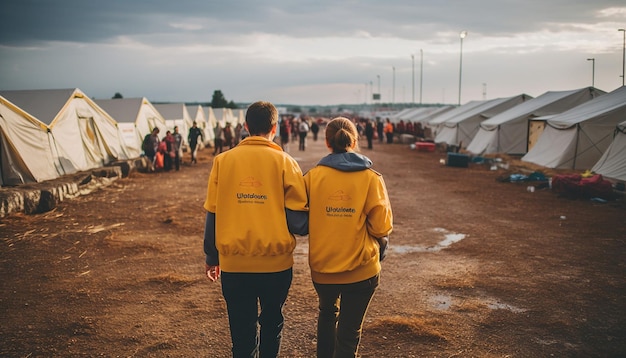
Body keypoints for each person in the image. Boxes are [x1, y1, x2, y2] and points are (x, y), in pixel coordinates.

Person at [203, 100, 309, 358]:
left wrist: (211, 256)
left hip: (235, 265)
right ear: (275, 127)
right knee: (272, 325)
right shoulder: (286, 163)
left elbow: (213, 213)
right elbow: (299, 223)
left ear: (246, 126)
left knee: (241, 334)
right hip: (276, 266)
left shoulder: (222, 161)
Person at [304, 117, 393, 358]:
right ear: (355, 140)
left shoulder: (312, 177)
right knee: (349, 332)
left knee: (327, 313)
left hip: (324, 268)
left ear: (327, 141)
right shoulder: (371, 178)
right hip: (361, 270)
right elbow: (381, 227)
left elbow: (300, 221)